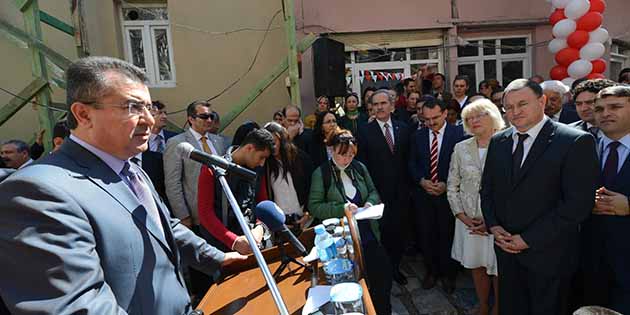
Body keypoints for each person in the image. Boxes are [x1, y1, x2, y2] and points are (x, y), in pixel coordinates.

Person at [0, 56, 246, 315]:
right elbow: (79, 307)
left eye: (149, 108)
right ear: (83, 114)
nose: (149, 121)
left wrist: (219, 259)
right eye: (132, 107)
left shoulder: (130, 169)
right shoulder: (36, 193)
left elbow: (162, 227)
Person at [480, 79, 599, 315]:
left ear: (542, 101)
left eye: (522, 104)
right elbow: (488, 190)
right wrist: (493, 225)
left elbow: (578, 204)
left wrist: (528, 239)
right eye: (509, 107)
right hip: (506, 252)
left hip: (550, 256)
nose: (515, 112)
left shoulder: (574, 141)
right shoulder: (498, 141)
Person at [308, 128, 392, 315]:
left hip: (368, 233)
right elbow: (314, 206)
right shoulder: (321, 174)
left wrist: (370, 202)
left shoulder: (359, 168)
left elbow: (373, 191)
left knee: (382, 279)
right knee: (354, 286)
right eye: (343, 154)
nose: (347, 159)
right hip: (342, 241)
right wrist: (342, 209)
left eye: (351, 155)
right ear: (331, 150)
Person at [163, 99, 227, 298]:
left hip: (221, 212)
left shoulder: (219, 141)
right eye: (204, 116)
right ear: (190, 119)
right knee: (203, 272)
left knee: (223, 265)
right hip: (195, 215)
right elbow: (173, 182)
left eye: (212, 116)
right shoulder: (178, 144)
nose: (209, 120)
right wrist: (183, 216)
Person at [447, 99, 505, 315]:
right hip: (469, 221)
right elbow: (452, 184)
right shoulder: (461, 147)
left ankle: (499, 308)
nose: (473, 121)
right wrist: (461, 215)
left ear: (493, 116)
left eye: (479, 115)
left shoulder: (508, 143)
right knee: (477, 266)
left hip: (500, 222)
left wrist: (493, 220)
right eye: (468, 118)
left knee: (499, 267)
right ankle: (482, 306)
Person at [581, 85, 630, 314]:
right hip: (590, 263)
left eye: (615, 107)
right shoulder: (582, 146)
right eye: (599, 109)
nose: (605, 113)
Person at [409, 97, 465, 293]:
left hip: (448, 195)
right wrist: (422, 181)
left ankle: (449, 275)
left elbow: (462, 166)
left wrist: (446, 184)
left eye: (435, 118)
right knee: (426, 234)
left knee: (447, 235)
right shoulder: (417, 136)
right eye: (427, 119)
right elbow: (412, 164)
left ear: (444, 114)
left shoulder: (459, 134)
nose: (431, 123)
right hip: (424, 196)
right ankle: (431, 272)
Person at [357, 89, 411, 285]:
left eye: (383, 103)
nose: (379, 107)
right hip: (377, 194)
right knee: (383, 234)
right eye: (375, 104)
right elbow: (362, 164)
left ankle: (396, 268)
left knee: (399, 233)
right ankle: (384, 271)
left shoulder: (404, 128)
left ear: (392, 105)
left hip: (402, 194)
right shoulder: (364, 130)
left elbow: (408, 160)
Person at [197, 127, 273, 254]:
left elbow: (263, 204)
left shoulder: (258, 170)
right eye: (261, 157)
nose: (262, 163)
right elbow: (205, 214)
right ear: (249, 148)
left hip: (255, 241)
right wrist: (234, 241)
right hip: (223, 247)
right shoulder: (212, 168)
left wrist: (260, 228)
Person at [263, 122, 314, 230]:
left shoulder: (300, 158)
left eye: (274, 142)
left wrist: (308, 213)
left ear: (282, 139)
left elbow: (312, 188)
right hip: (282, 225)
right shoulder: (265, 165)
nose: (272, 147)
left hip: (306, 220)